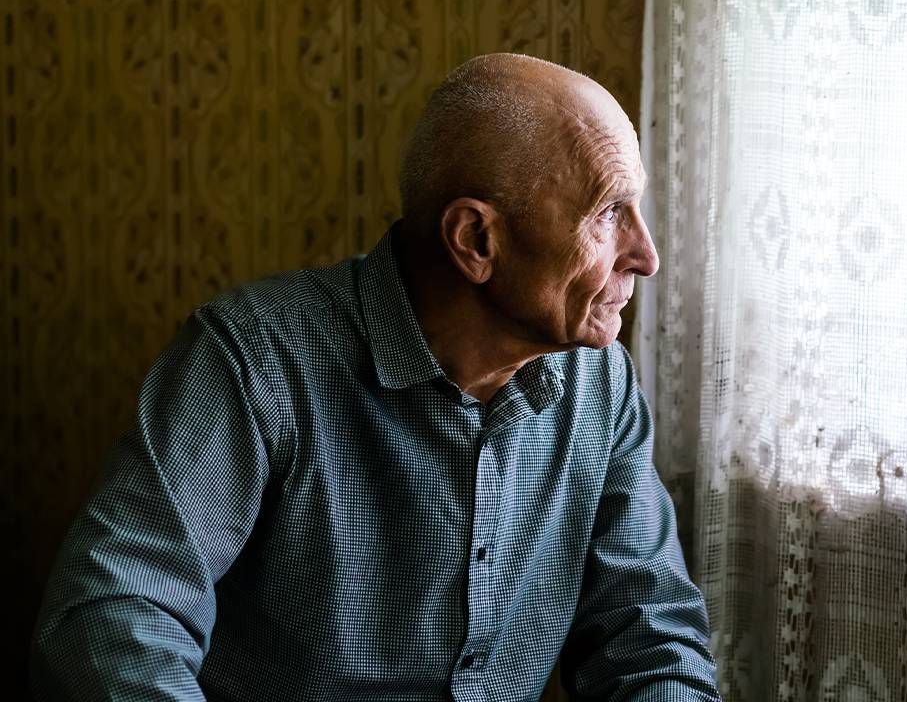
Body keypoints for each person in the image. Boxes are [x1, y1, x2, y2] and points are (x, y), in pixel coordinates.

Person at [31, 53, 720, 701]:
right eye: (607, 213)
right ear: (477, 240)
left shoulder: (601, 387)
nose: (646, 255)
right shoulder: (254, 359)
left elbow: (649, 635)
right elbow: (113, 614)